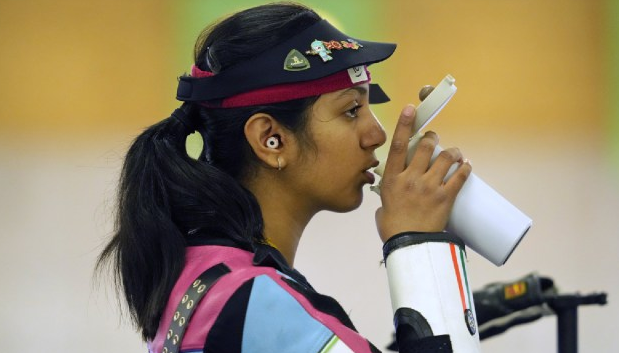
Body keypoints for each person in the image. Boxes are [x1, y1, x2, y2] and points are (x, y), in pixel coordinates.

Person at [97, 3, 478, 352]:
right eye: (351, 110)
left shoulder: (201, 269)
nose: (376, 134)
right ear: (270, 139)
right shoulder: (260, 302)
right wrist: (420, 245)